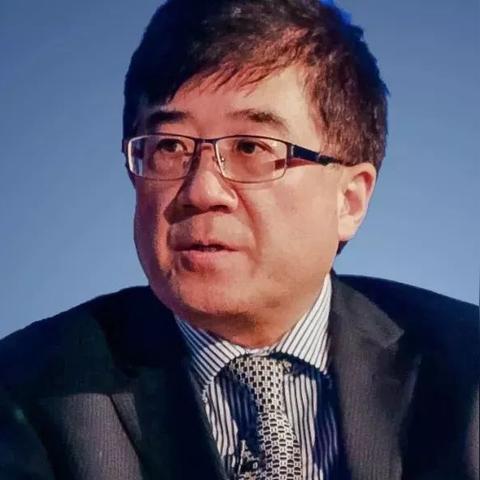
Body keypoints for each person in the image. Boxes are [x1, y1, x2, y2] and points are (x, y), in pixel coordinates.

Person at [0, 0, 478, 479]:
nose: (201, 191)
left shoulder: (466, 374)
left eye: (251, 147)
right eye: (170, 147)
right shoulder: (27, 392)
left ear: (349, 201)